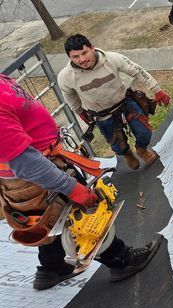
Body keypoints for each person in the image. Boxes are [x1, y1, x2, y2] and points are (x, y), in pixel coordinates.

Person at [0, 74, 161, 290]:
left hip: (41, 167)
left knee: (52, 219)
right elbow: (23, 161)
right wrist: (70, 187)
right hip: (38, 174)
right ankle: (121, 260)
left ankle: (52, 268)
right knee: (80, 216)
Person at [57, 35, 170, 170]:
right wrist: (80, 112)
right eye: (75, 57)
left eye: (84, 53)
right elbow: (69, 96)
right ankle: (128, 154)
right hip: (102, 114)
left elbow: (137, 71)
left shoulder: (112, 58)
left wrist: (157, 90)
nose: (82, 59)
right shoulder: (65, 77)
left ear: (92, 48)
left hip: (125, 103)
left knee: (144, 132)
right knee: (117, 145)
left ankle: (142, 150)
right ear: (69, 57)